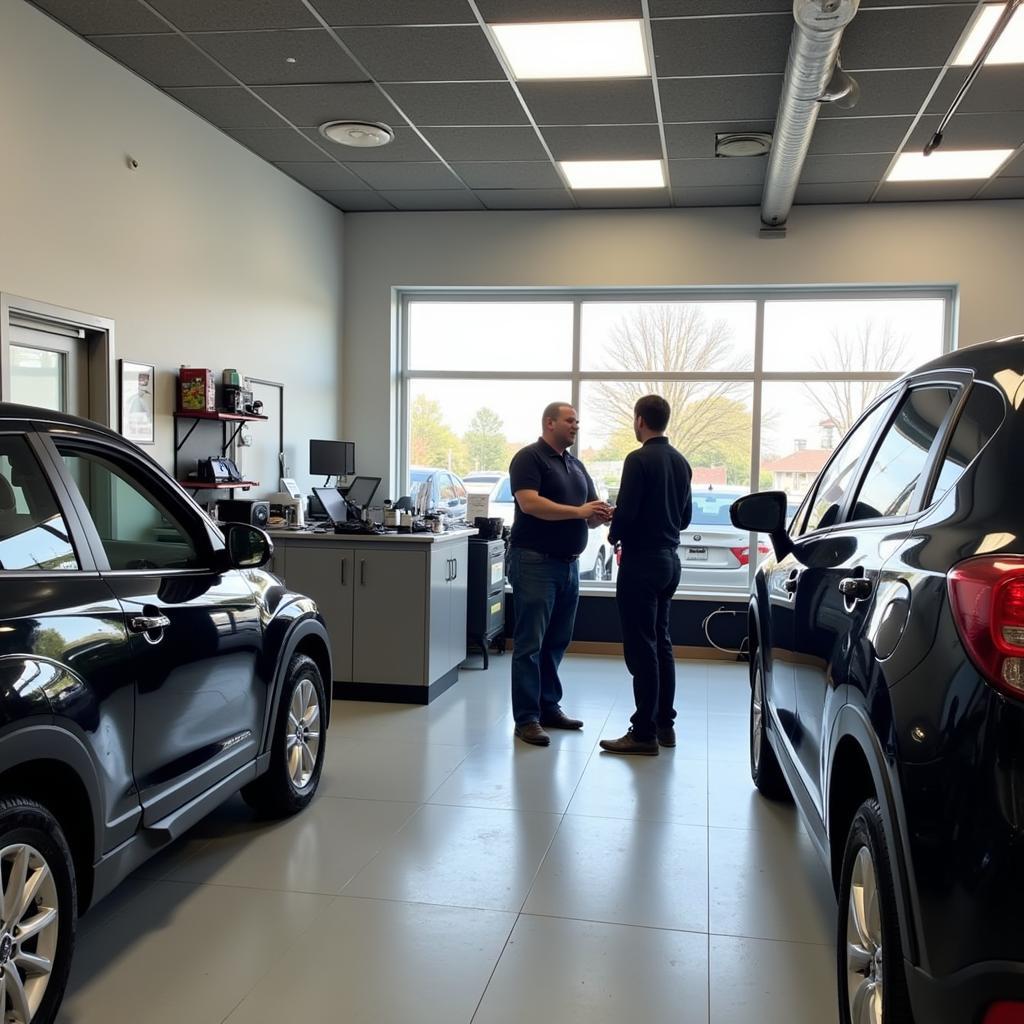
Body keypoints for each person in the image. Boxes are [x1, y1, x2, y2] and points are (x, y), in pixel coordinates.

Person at [507, 402, 612, 746]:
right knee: (530, 644)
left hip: (568, 566)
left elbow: (588, 510)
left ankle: (548, 706)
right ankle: (526, 719)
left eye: (577, 421)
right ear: (549, 423)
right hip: (535, 562)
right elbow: (530, 503)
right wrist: (579, 511)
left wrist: (598, 514)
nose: (575, 426)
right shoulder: (529, 458)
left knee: (556, 641)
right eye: (570, 421)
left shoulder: (576, 465)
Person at [600, 394, 692, 756]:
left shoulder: (637, 459)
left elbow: (630, 512)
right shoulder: (681, 462)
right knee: (661, 642)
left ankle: (642, 733)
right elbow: (684, 518)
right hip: (670, 563)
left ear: (640, 421)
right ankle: (664, 725)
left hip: (641, 564)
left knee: (642, 649)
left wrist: (613, 528)